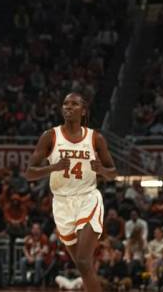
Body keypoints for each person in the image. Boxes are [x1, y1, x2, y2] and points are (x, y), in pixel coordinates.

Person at [25, 92, 118, 292]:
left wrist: (101, 170)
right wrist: (53, 167)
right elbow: (29, 173)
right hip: (61, 203)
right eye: (65, 103)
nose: (68, 107)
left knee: (84, 260)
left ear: (83, 111)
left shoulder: (95, 138)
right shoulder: (50, 136)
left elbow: (113, 173)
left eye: (74, 104)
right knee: (83, 266)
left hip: (87, 199)